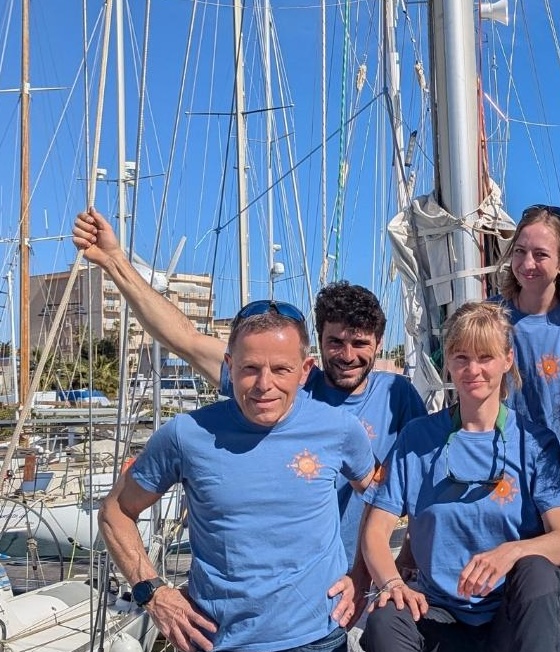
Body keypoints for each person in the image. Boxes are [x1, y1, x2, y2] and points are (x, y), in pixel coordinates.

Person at [72, 208, 427, 577]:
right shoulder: (281, 384)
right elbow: (184, 339)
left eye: (360, 343)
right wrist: (115, 261)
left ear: (379, 343)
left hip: (359, 578)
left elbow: (422, 483)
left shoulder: (397, 396)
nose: (348, 355)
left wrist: (408, 557)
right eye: (335, 342)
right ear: (316, 348)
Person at [99, 301, 376, 652]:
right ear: (230, 367)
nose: (264, 384)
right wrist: (154, 592)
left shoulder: (340, 430)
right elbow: (115, 513)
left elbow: (381, 497)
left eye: (280, 369)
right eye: (250, 368)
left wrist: (363, 576)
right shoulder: (185, 435)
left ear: (305, 370)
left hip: (314, 651)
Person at [359, 301, 560, 652]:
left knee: (538, 569)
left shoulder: (534, 442)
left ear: (507, 360)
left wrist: (510, 553)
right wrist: (392, 583)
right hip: (444, 629)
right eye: (461, 357)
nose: (473, 370)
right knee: (382, 622)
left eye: (485, 357)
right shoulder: (418, 439)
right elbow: (376, 533)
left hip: (509, 630)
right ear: (448, 364)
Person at [492, 204, 560, 439]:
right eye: (520, 251)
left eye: (540, 254)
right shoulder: (488, 317)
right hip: (497, 454)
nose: (527, 264)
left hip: (556, 456)